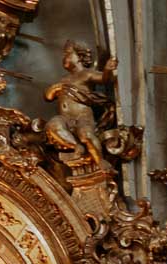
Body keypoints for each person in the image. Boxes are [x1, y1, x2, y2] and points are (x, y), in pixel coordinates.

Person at [45, 40, 118, 170]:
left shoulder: (86, 73)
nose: (64, 57)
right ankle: (75, 146)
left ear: (80, 56)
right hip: (65, 118)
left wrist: (107, 69)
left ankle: (100, 160)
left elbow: (105, 79)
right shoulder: (63, 79)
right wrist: (54, 89)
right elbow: (48, 97)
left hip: (82, 116)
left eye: (67, 53)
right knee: (53, 125)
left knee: (86, 134)